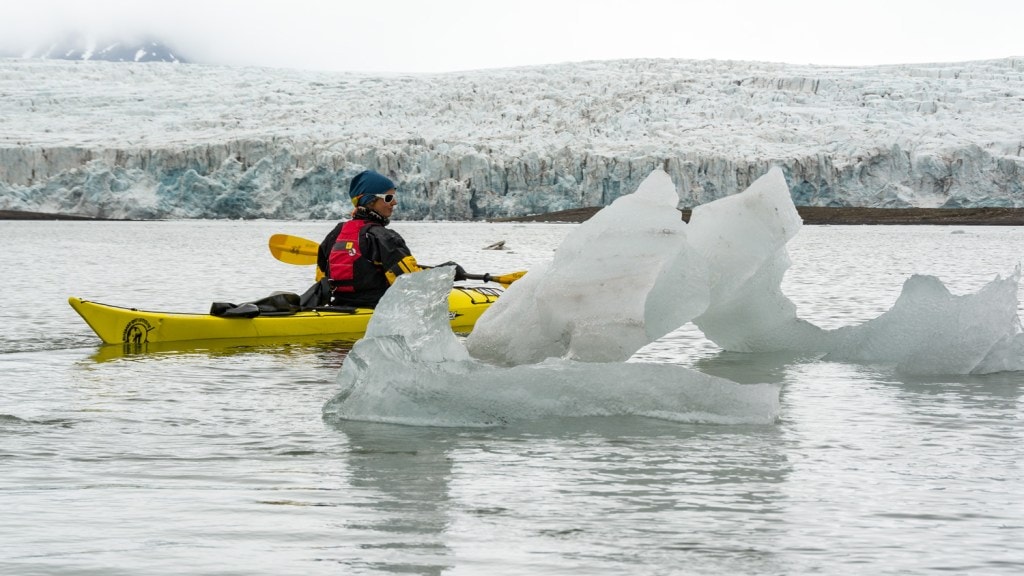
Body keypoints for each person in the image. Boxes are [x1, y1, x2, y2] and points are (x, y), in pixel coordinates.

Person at [317, 170, 464, 308]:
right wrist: (446, 273)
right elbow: (411, 284)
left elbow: (320, 282)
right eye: (389, 198)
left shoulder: (334, 234)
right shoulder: (384, 237)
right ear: (370, 201)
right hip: (379, 309)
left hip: (339, 306)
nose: (394, 203)